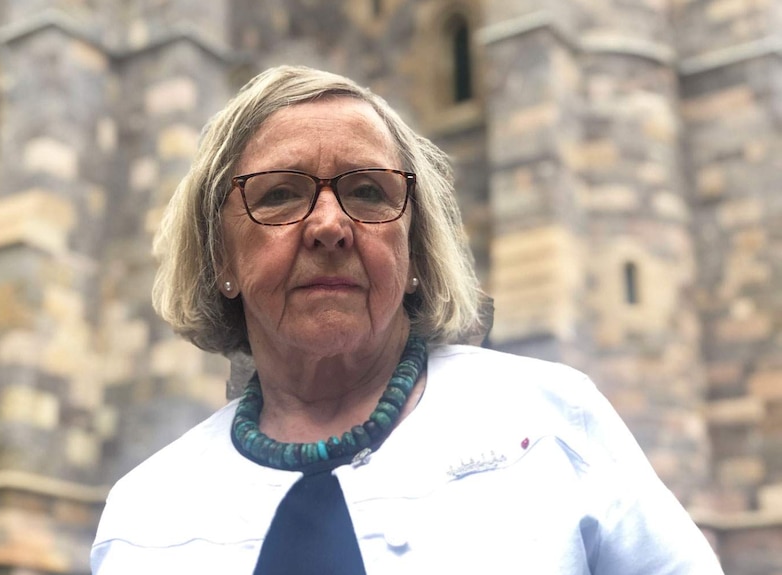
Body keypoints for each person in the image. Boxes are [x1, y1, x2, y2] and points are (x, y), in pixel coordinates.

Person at [91, 65, 723, 575]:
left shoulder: (551, 419)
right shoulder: (145, 515)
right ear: (219, 256)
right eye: (279, 193)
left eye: (369, 191)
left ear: (415, 253)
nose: (330, 225)